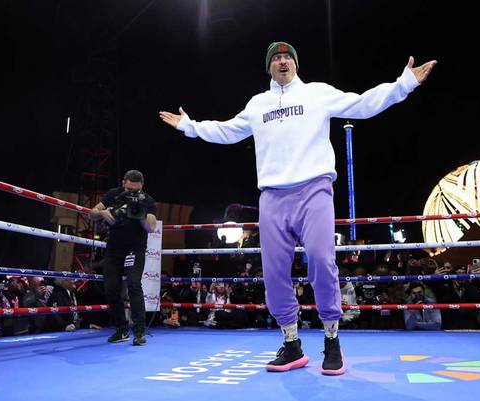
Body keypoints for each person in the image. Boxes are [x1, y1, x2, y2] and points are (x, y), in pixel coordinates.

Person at [160, 41, 436, 375]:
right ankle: (291, 343)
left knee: (321, 259)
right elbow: (227, 130)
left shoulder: (317, 93)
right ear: (269, 67)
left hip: (314, 189)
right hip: (272, 196)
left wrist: (403, 84)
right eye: (276, 58)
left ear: (295, 64)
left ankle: (331, 339)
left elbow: (362, 103)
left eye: (287, 57)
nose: (282, 62)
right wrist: (189, 126)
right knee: (273, 273)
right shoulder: (258, 104)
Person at [90, 169, 157, 345]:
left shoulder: (148, 200)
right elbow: (91, 213)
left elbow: (151, 228)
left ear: (142, 186)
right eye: (129, 189)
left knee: (134, 285)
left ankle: (139, 332)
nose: (132, 193)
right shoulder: (113, 194)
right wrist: (102, 213)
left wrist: (140, 213)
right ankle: (121, 330)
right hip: (114, 249)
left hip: (135, 249)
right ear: (123, 183)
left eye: (136, 190)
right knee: (111, 288)